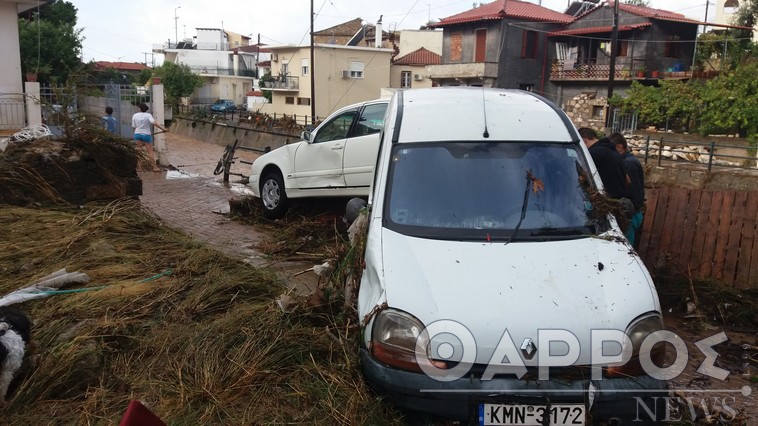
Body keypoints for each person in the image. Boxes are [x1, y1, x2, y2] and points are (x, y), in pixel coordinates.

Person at [610, 132, 645, 247]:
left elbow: (630, 192)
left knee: (626, 248)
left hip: (630, 215)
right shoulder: (629, 161)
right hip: (633, 212)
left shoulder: (628, 164)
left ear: (619, 148)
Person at [131, 103, 167, 172]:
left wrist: (137, 133)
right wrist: (163, 129)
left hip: (137, 134)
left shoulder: (135, 115)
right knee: (150, 152)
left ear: (139, 108)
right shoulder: (148, 115)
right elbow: (154, 123)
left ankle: (139, 168)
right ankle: (155, 168)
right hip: (146, 135)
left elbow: (133, 126)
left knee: (138, 151)